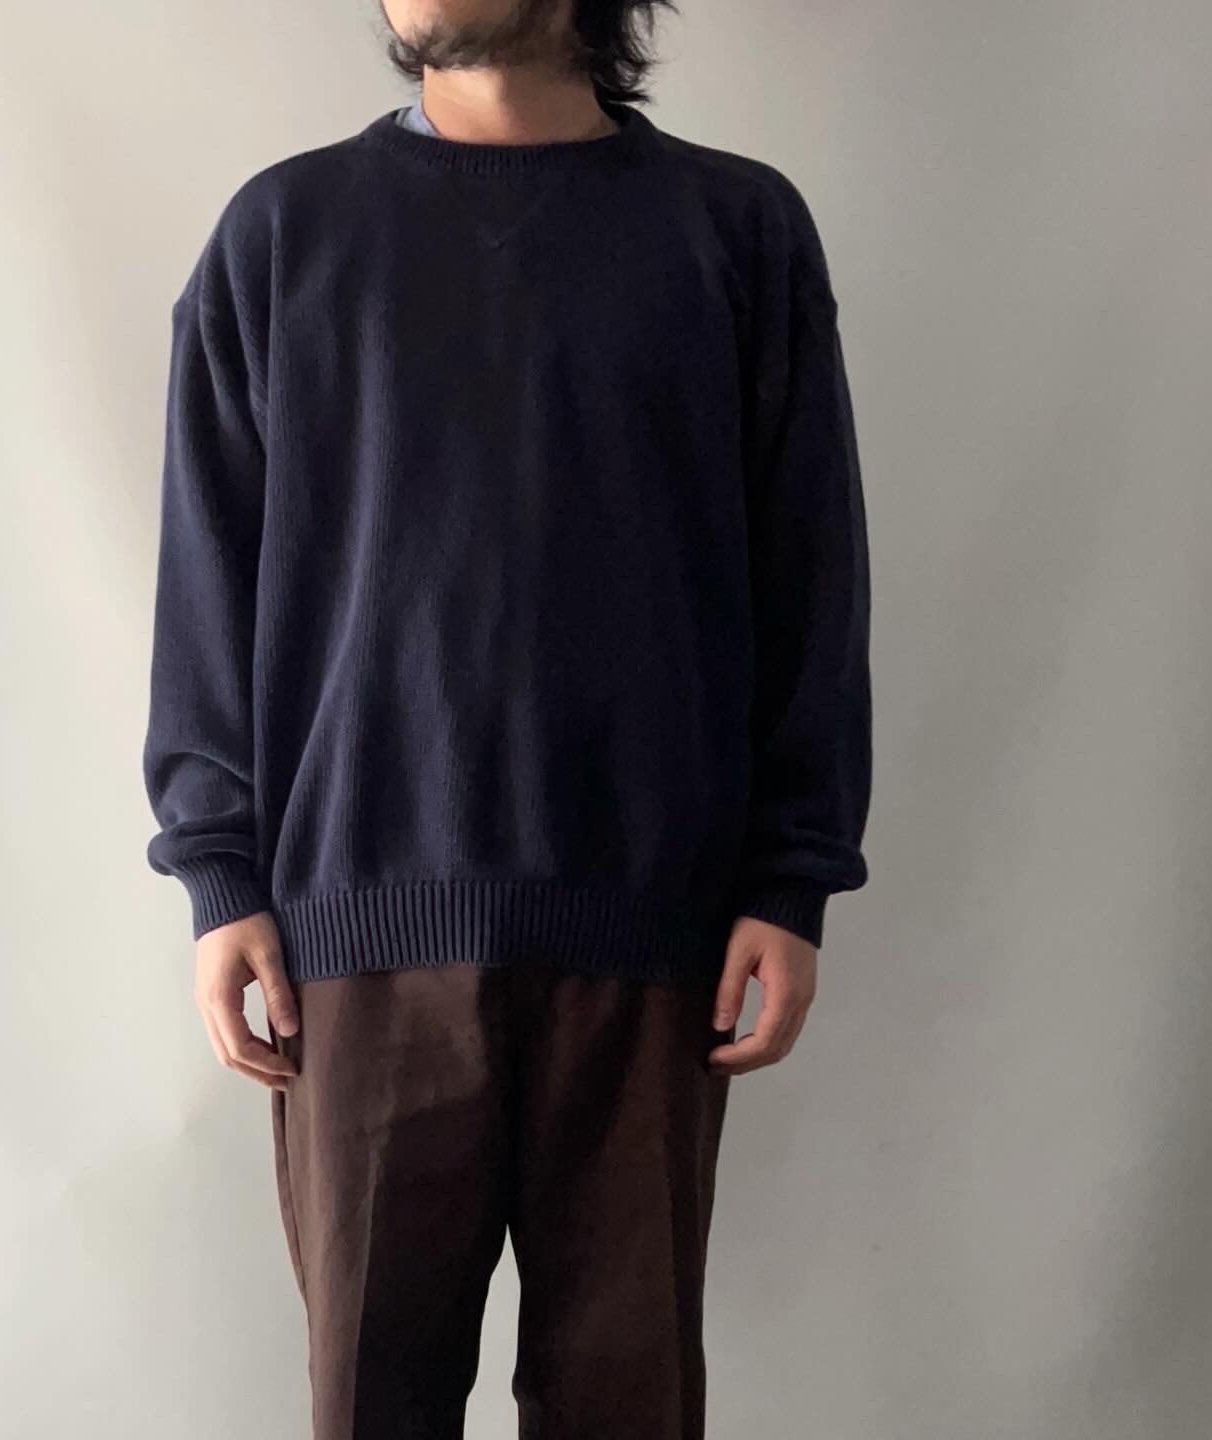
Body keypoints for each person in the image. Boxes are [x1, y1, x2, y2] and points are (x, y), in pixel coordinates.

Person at [140, 1, 872, 1434]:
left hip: (653, 932)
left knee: (626, 1408)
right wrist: (217, 867)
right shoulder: (283, 236)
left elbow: (811, 574)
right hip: (356, 934)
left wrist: (793, 874)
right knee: (373, 1405)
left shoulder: (735, 234)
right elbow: (207, 579)